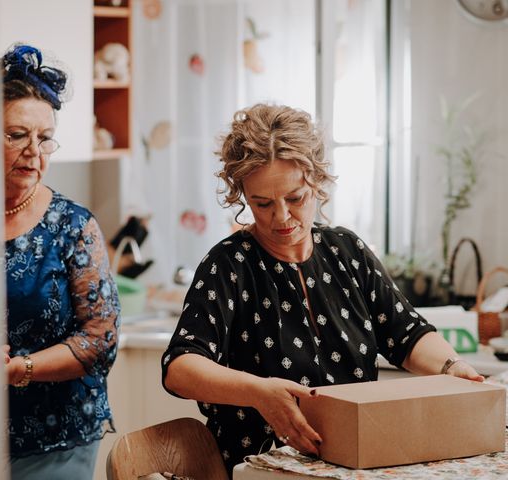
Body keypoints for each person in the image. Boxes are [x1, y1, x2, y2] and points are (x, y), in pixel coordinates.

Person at [161, 104, 483, 475]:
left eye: (295, 198)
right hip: (260, 468)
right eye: (262, 203)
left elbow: (405, 335)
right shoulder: (229, 265)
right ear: (243, 196)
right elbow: (180, 368)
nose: (281, 217)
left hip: (354, 461)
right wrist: (259, 394)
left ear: (316, 180)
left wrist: (451, 367)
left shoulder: (346, 252)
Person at [0, 44, 120, 480]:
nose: (34, 150)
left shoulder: (73, 226)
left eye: (44, 137)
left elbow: (101, 340)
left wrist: (20, 369)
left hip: (57, 437)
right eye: (17, 135)